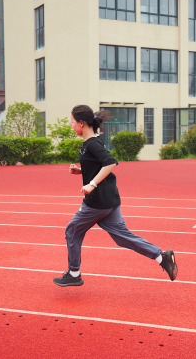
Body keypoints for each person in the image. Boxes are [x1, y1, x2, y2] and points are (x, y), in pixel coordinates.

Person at [53, 105, 178, 287]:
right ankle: (161, 256)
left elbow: (110, 162)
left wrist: (92, 184)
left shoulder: (92, 144)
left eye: (72, 122)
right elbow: (98, 165)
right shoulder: (92, 142)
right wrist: (81, 171)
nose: (71, 125)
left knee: (72, 231)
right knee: (121, 236)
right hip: (110, 199)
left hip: (97, 201)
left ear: (81, 123)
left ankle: (74, 274)